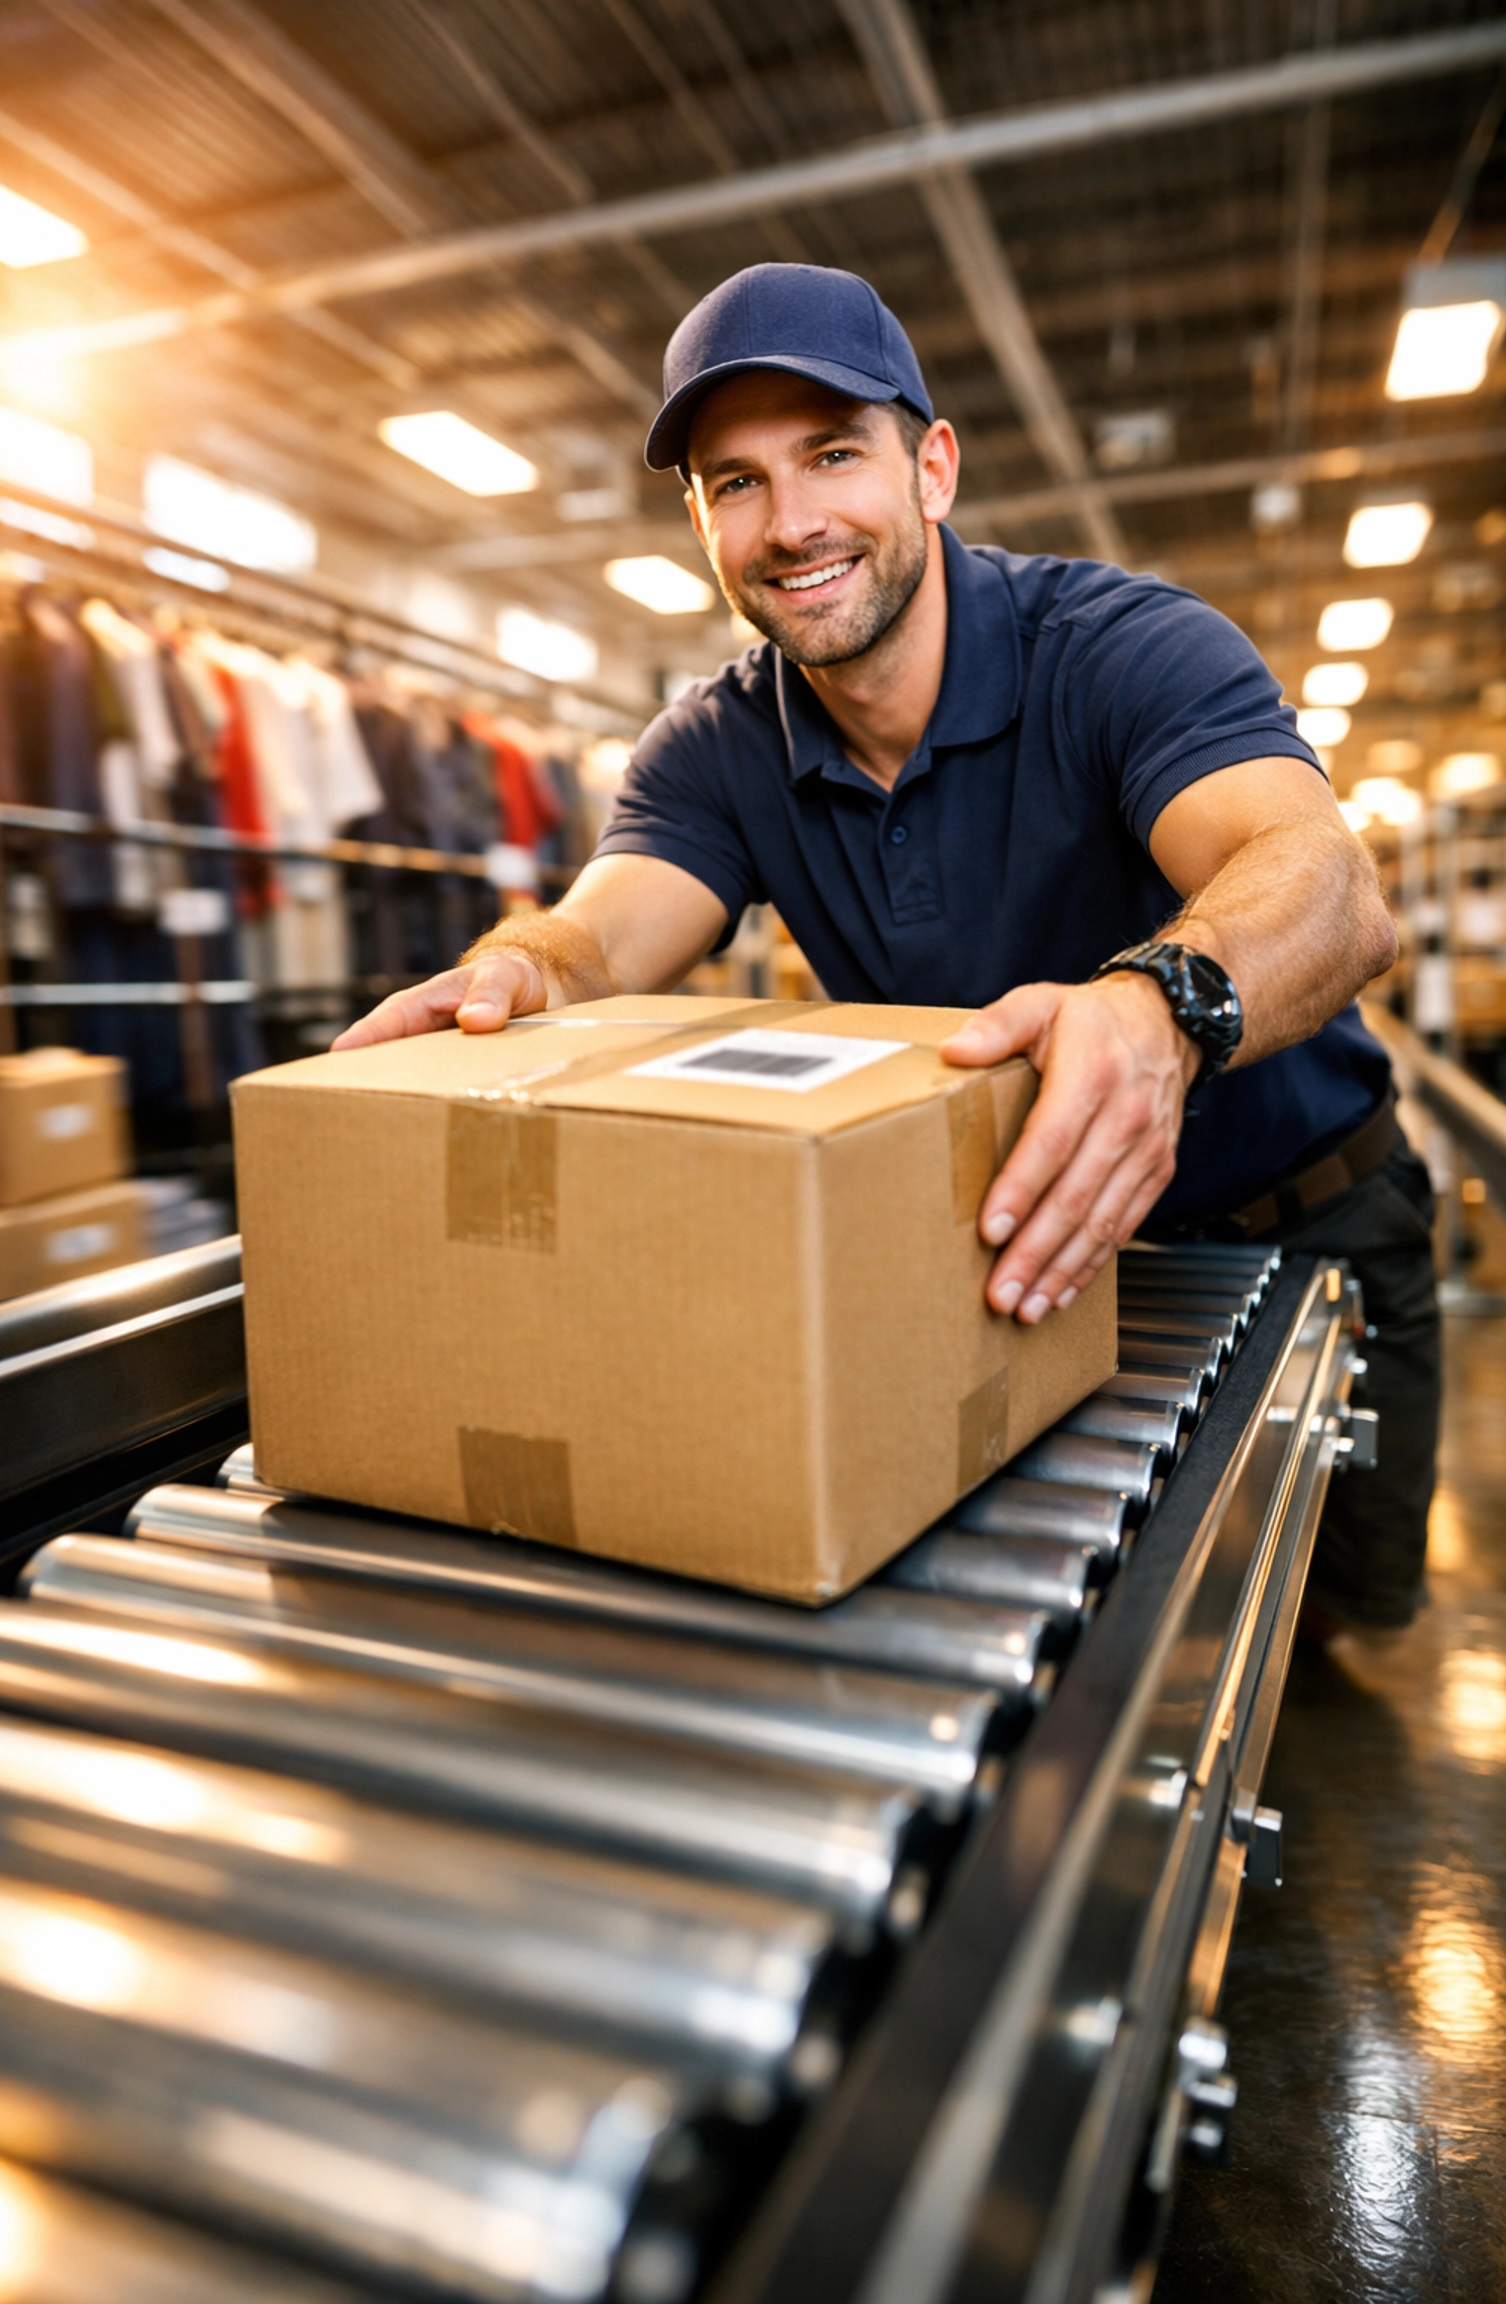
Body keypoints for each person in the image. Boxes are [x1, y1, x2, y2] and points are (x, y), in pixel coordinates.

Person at [338, 263, 1437, 1639]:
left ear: (932, 467)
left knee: (1336, 1637)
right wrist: (522, 968)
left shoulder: (1115, 649)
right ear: (698, 521)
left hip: (1301, 1236)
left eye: (831, 454)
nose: (790, 523)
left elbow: (1331, 885)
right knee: (1101, 1657)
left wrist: (1163, 1006)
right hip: (1027, 1268)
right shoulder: (717, 747)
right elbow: (600, 932)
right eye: (733, 483)